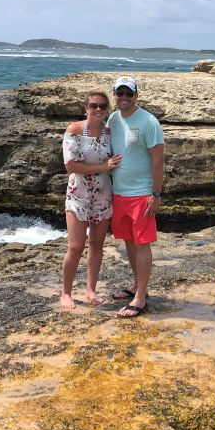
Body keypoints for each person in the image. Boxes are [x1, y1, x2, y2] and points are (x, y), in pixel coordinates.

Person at [107, 75, 164, 318]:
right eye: (120, 93)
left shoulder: (149, 122)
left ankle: (140, 298)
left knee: (142, 243)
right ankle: (135, 286)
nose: (124, 98)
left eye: (128, 93)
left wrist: (156, 194)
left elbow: (158, 159)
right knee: (129, 241)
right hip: (119, 192)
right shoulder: (113, 118)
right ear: (115, 95)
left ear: (136, 95)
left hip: (142, 194)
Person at [60, 91, 122, 309]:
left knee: (97, 244)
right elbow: (71, 166)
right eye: (94, 106)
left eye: (103, 106)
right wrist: (103, 167)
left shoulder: (109, 133)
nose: (98, 110)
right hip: (79, 194)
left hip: (103, 193)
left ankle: (91, 290)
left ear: (107, 110)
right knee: (75, 246)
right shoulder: (74, 131)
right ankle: (66, 293)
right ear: (86, 108)